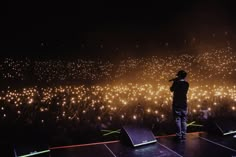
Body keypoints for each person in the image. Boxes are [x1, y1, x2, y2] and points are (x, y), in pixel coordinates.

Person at [170, 70, 189, 141]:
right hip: (184, 104)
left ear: (179, 76)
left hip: (177, 104)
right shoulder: (187, 84)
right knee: (184, 121)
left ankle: (179, 136)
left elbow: (171, 89)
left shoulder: (176, 83)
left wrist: (175, 81)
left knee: (177, 120)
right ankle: (184, 136)